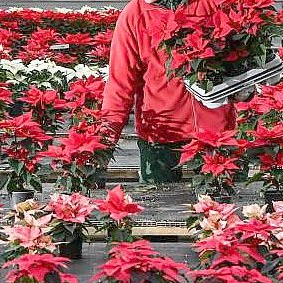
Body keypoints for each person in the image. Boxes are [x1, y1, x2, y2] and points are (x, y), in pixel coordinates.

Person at [101, 0, 236, 184]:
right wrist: (103, 146)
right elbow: (119, 85)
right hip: (160, 136)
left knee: (222, 207)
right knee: (157, 205)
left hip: (215, 134)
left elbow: (243, 65)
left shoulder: (214, 4)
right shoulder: (136, 13)